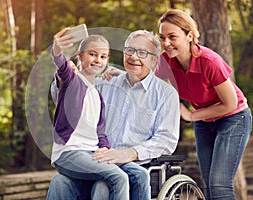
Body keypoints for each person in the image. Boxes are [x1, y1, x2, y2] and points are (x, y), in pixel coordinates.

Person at [47, 30, 180, 200]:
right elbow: (66, 99)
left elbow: (166, 140)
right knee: (59, 181)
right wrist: (63, 78)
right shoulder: (104, 82)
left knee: (105, 185)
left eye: (142, 53)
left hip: (134, 164)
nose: (134, 57)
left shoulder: (165, 93)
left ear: (155, 60)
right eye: (129, 50)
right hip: (95, 157)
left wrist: (130, 153)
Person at [155, 9, 252, 200]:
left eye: (172, 37)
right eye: (162, 37)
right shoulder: (166, 61)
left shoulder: (209, 61)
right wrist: (117, 76)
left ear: (189, 35)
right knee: (208, 185)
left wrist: (190, 116)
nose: (166, 43)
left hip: (233, 118)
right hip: (204, 120)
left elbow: (230, 103)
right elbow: (149, 85)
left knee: (219, 185)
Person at [50, 28, 129, 200]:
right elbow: (62, 65)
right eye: (92, 54)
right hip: (69, 152)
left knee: (104, 184)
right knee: (119, 177)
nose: (98, 60)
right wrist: (57, 50)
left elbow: (100, 133)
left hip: (91, 153)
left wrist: (105, 150)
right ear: (80, 56)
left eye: (103, 57)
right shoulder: (73, 81)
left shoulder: (98, 97)